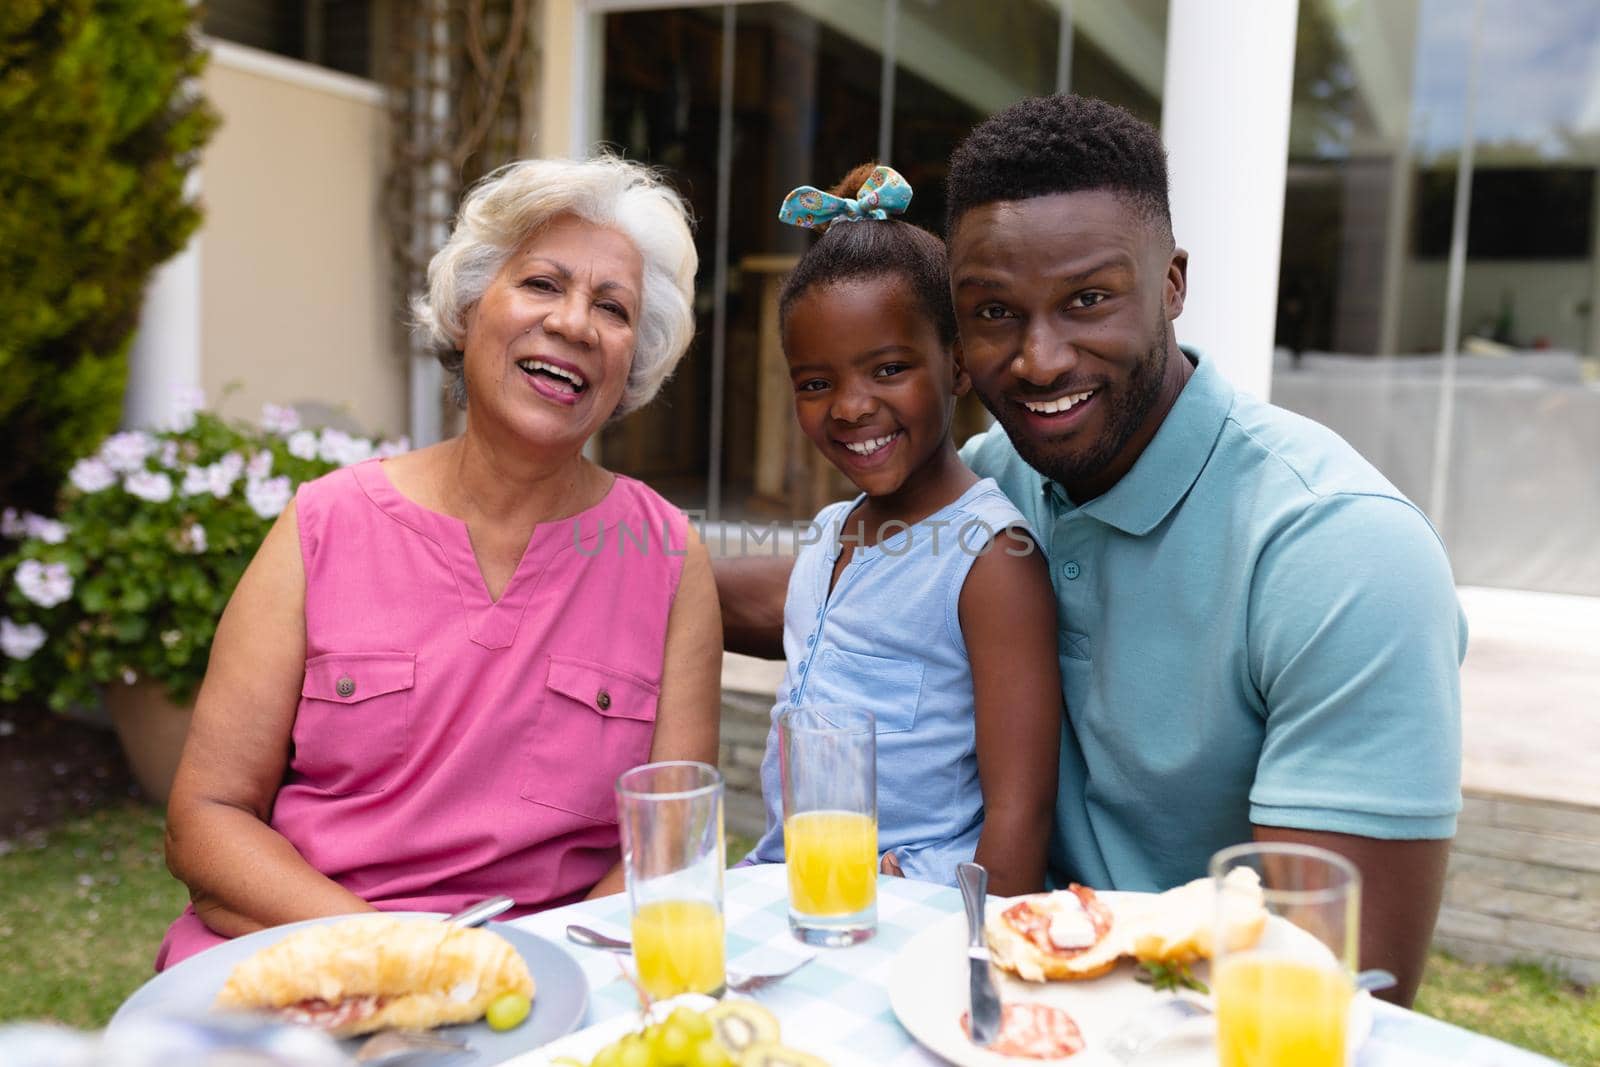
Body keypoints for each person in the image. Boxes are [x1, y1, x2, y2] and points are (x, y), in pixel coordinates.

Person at [715, 97, 1465, 1006]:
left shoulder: (1344, 555)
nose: (1038, 359)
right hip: (984, 981)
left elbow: (1340, 988)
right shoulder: (996, 477)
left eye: (1088, 300)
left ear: (1173, 285)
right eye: (994, 311)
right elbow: (831, 593)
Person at [159, 156, 722, 968]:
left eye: (612, 307)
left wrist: (536, 983)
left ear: (632, 363)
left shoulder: (668, 554)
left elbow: (672, 841)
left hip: (542, 981)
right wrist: (402, 959)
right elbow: (206, 815)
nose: (573, 324)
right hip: (316, 949)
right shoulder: (325, 524)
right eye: (540, 284)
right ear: (466, 311)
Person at [745, 164, 1061, 895]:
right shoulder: (831, 532)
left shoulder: (992, 560)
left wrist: (970, 958)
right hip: (791, 883)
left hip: (909, 909)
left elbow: (1020, 815)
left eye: (888, 369)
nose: (851, 407)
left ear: (956, 366)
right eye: (815, 383)